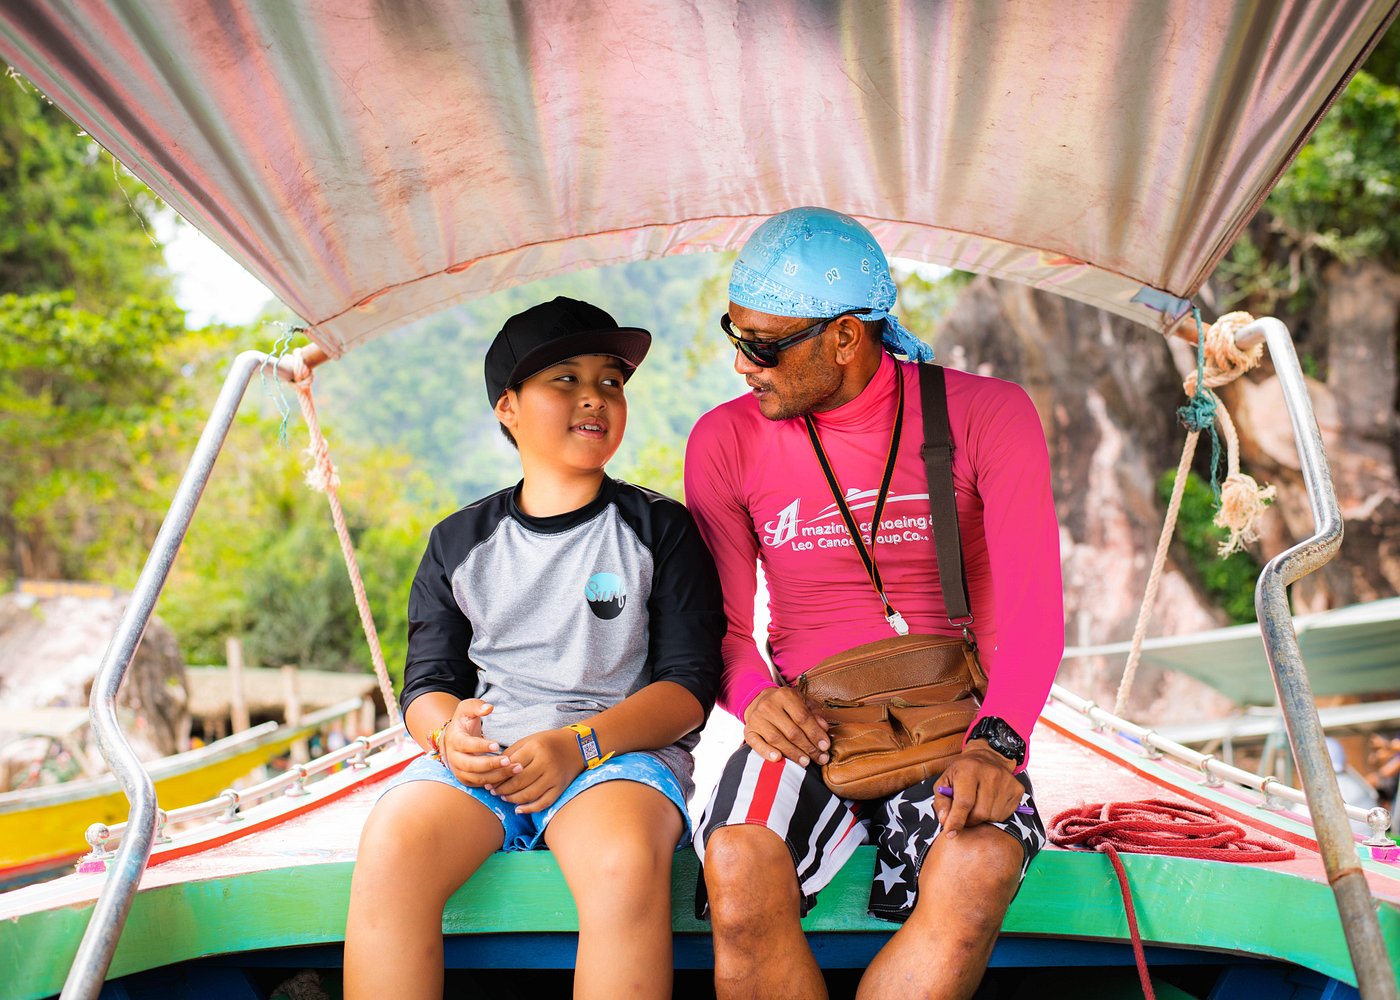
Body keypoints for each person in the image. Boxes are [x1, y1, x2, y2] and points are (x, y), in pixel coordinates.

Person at [683, 207, 1064, 1000]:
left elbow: (1034, 612)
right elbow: (721, 626)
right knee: (738, 866)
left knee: (979, 864)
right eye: (735, 335)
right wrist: (755, 699)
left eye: (765, 346)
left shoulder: (986, 414)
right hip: (810, 719)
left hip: (958, 717)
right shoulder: (724, 441)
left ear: (847, 337)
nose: (743, 365)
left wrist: (998, 744)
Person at [344, 296, 726, 1000]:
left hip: (614, 757)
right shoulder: (457, 543)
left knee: (619, 861)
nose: (594, 398)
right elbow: (427, 685)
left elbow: (687, 687)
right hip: (486, 764)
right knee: (394, 842)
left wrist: (579, 744)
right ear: (509, 407)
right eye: (565, 380)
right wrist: (446, 735)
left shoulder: (659, 529)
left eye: (610, 381)